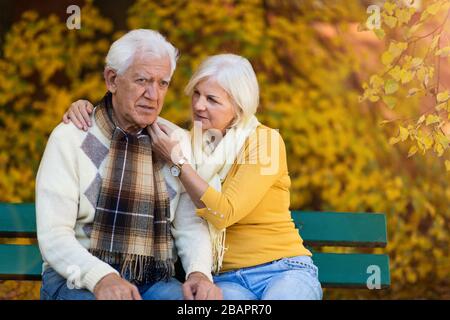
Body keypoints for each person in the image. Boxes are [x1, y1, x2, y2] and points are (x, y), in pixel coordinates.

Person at [64, 53, 323, 300]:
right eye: (196, 95)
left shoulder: (265, 142)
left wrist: (177, 161)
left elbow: (224, 213)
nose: (199, 105)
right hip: (225, 278)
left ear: (238, 107)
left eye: (212, 99)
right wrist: (89, 108)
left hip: (281, 270)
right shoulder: (189, 143)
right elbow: (131, 114)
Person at [36, 29, 222, 300]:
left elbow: (189, 225)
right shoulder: (70, 138)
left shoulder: (174, 144)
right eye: (142, 80)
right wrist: (102, 278)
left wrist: (198, 272)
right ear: (112, 79)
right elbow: (55, 236)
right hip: (76, 276)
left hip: (152, 280)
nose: (153, 95)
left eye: (163, 83)